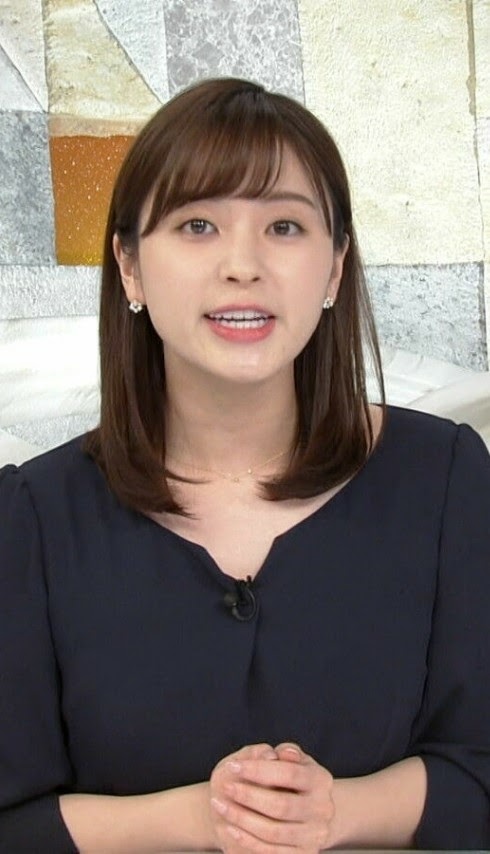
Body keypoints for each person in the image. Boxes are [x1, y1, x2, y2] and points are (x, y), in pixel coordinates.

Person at [0, 77, 489, 853]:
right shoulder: (32, 514)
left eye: (284, 226)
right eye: (197, 224)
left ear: (335, 267)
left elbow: (479, 769)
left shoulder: (447, 478)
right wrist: (202, 817)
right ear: (129, 266)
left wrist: (337, 812)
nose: (243, 265)